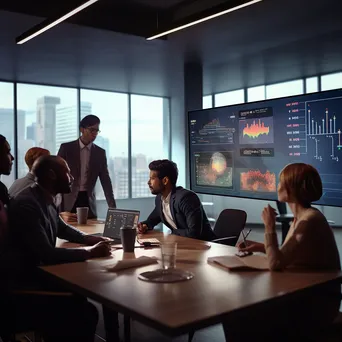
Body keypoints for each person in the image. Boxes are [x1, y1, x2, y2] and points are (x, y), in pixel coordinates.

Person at [223, 163, 341, 342]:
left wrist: (269, 226)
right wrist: (259, 246)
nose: (277, 186)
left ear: (293, 189)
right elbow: (288, 254)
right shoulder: (303, 217)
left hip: (316, 303)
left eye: (281, 182)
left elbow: (276, 263)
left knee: (238, 314)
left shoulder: (308, 221)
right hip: (305, 294)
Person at [0, 137, 99, 342]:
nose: (72, 177)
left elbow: (61, 227)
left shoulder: (43, 196)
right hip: (22, 285)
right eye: (68, 172)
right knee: (85, 310)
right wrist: (89, 252)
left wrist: (88, 239)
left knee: (80, 292)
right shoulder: (28, 203)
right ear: (53, 175)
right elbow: (47, 253)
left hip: (34, 274)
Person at [137, 159, 215, 241]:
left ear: (165, 181)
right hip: (183, 245)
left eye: (152, 178)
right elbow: (151, 221)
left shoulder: (186, 198)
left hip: (205, 246)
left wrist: (172, 233)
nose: (148, 182)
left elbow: (194, 233)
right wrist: (143, 226)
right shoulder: (160, 199)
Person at [58, 114, 116, 218]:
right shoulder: (66, 148)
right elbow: (58, 176)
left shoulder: (100, 153)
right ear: (82, 129)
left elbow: (105, 181)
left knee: (90, 232)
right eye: (92, 130)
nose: (95, 134)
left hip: (88, 201)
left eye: (97, 131)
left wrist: (113, 208)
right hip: (68, 200)